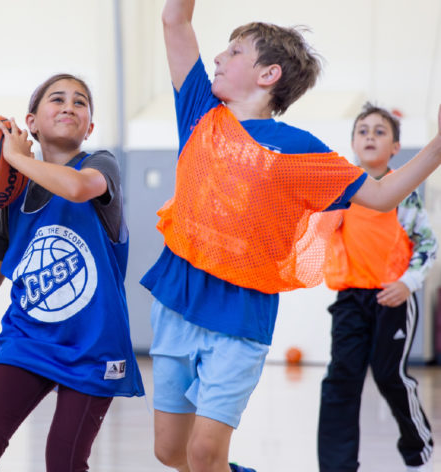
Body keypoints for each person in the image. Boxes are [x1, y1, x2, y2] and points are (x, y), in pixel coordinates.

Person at [140, 1, 441, 471]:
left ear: (268, 74)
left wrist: (438, 146)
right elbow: (174, 18)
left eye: (234, 51)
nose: (217, 57)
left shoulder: (300, 149)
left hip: (241, 317)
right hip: (177, 300)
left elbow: (381, 197)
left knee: (203, 454)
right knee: (169, 452)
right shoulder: (200, 110)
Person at [0, 73, 145, 472]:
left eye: (80, 102)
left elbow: (76, 189)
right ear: (32, 123)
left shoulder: (100, 164)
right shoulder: (13, 196)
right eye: (57, 99)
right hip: (28, 339)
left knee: (64, 460)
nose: (69, 106)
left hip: (92, 345)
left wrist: (18, 158)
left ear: (89, 126)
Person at [318, 102, 437, 472]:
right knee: (341, 377)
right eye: (363, 130)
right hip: (350, 298)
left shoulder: (405, 192)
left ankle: (418, 441)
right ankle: (337, 465)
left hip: (393, 297)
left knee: (388, 375)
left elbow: (428, 245)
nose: (370, 135)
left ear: (395, 148)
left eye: (380, 131)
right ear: (353, 142)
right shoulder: (341, 189)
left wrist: (407, 283)